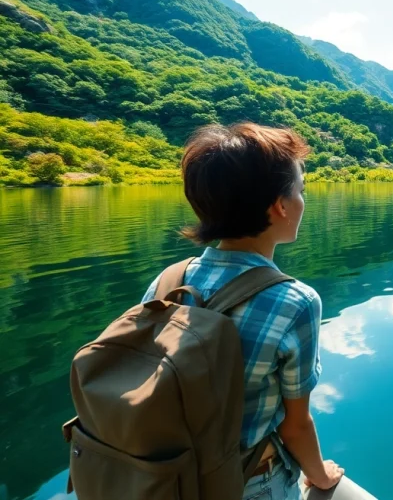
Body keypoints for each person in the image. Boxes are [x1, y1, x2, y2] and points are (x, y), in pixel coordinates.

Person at [141, 123, 344, 500]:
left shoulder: (169, 280)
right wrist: (321, 476)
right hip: (247, 483)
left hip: (167, 476)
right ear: (280, 206)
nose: (303, 201)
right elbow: (295, 427)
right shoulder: (295, 302)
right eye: (301, 191)